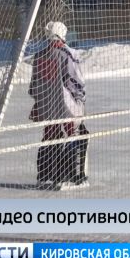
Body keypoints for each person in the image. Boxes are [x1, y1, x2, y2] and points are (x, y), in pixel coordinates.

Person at [29, 21, 88, 189]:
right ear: (63, 33)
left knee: (50, 136)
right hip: (66, 104)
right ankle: (71, 176)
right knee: (74, 134)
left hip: (46, 106)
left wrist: (42, 100)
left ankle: (46, 176)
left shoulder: (39, 56)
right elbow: (75, 81)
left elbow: (34, 86)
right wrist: (80, 100)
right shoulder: (68, 53)